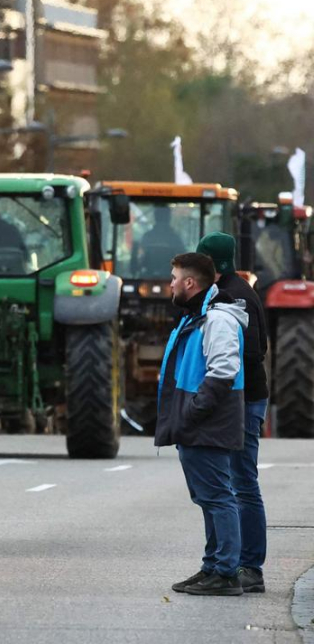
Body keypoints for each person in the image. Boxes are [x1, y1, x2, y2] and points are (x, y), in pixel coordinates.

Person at [158, 252, 248, 597]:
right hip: (197, 422)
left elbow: (224, 371)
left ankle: (226, 573)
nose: (171, 284)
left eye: (175, 278)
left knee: (219, 498)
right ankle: (213, 565)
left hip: (207, 423)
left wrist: (192, 412)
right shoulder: (197, 317)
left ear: (190, 283)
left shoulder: (217, 320)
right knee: (209, 498)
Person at [196, 231, 269, 594]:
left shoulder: (237, 295)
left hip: (245, 401)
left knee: (242, 483)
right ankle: (228, 562)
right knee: (234, 483)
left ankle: (250, 566)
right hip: (241, 399)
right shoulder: (232, 290)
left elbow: (252, 353)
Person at [138, 205, 186, 277]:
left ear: (155, 217)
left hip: (148, 276)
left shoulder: (147, 236)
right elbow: (183, 257)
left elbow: (140, 257)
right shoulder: (175, 238)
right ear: (169, 218)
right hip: (170, 277)